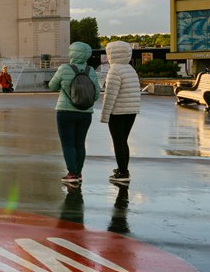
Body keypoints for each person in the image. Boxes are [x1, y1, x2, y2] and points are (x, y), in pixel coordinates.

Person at [50, 40, 98, 185]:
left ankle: (72, 174)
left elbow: (52, 86)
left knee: (68, 144)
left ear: (72, 53)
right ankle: (78, 172)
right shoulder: (91, 71)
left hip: (65, 111)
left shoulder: (64, 68)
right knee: (80, 143)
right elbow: (95, 94)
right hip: (85, 113)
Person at [101, 40, 142, 186]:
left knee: (118, 142)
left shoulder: (115, 70)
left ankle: (123, 173)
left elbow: (110, 95)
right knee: (123, 141)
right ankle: (123, 169)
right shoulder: (130, 69)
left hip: (118, 112)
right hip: (131, 111)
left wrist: (105, 115)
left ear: (112, 53)